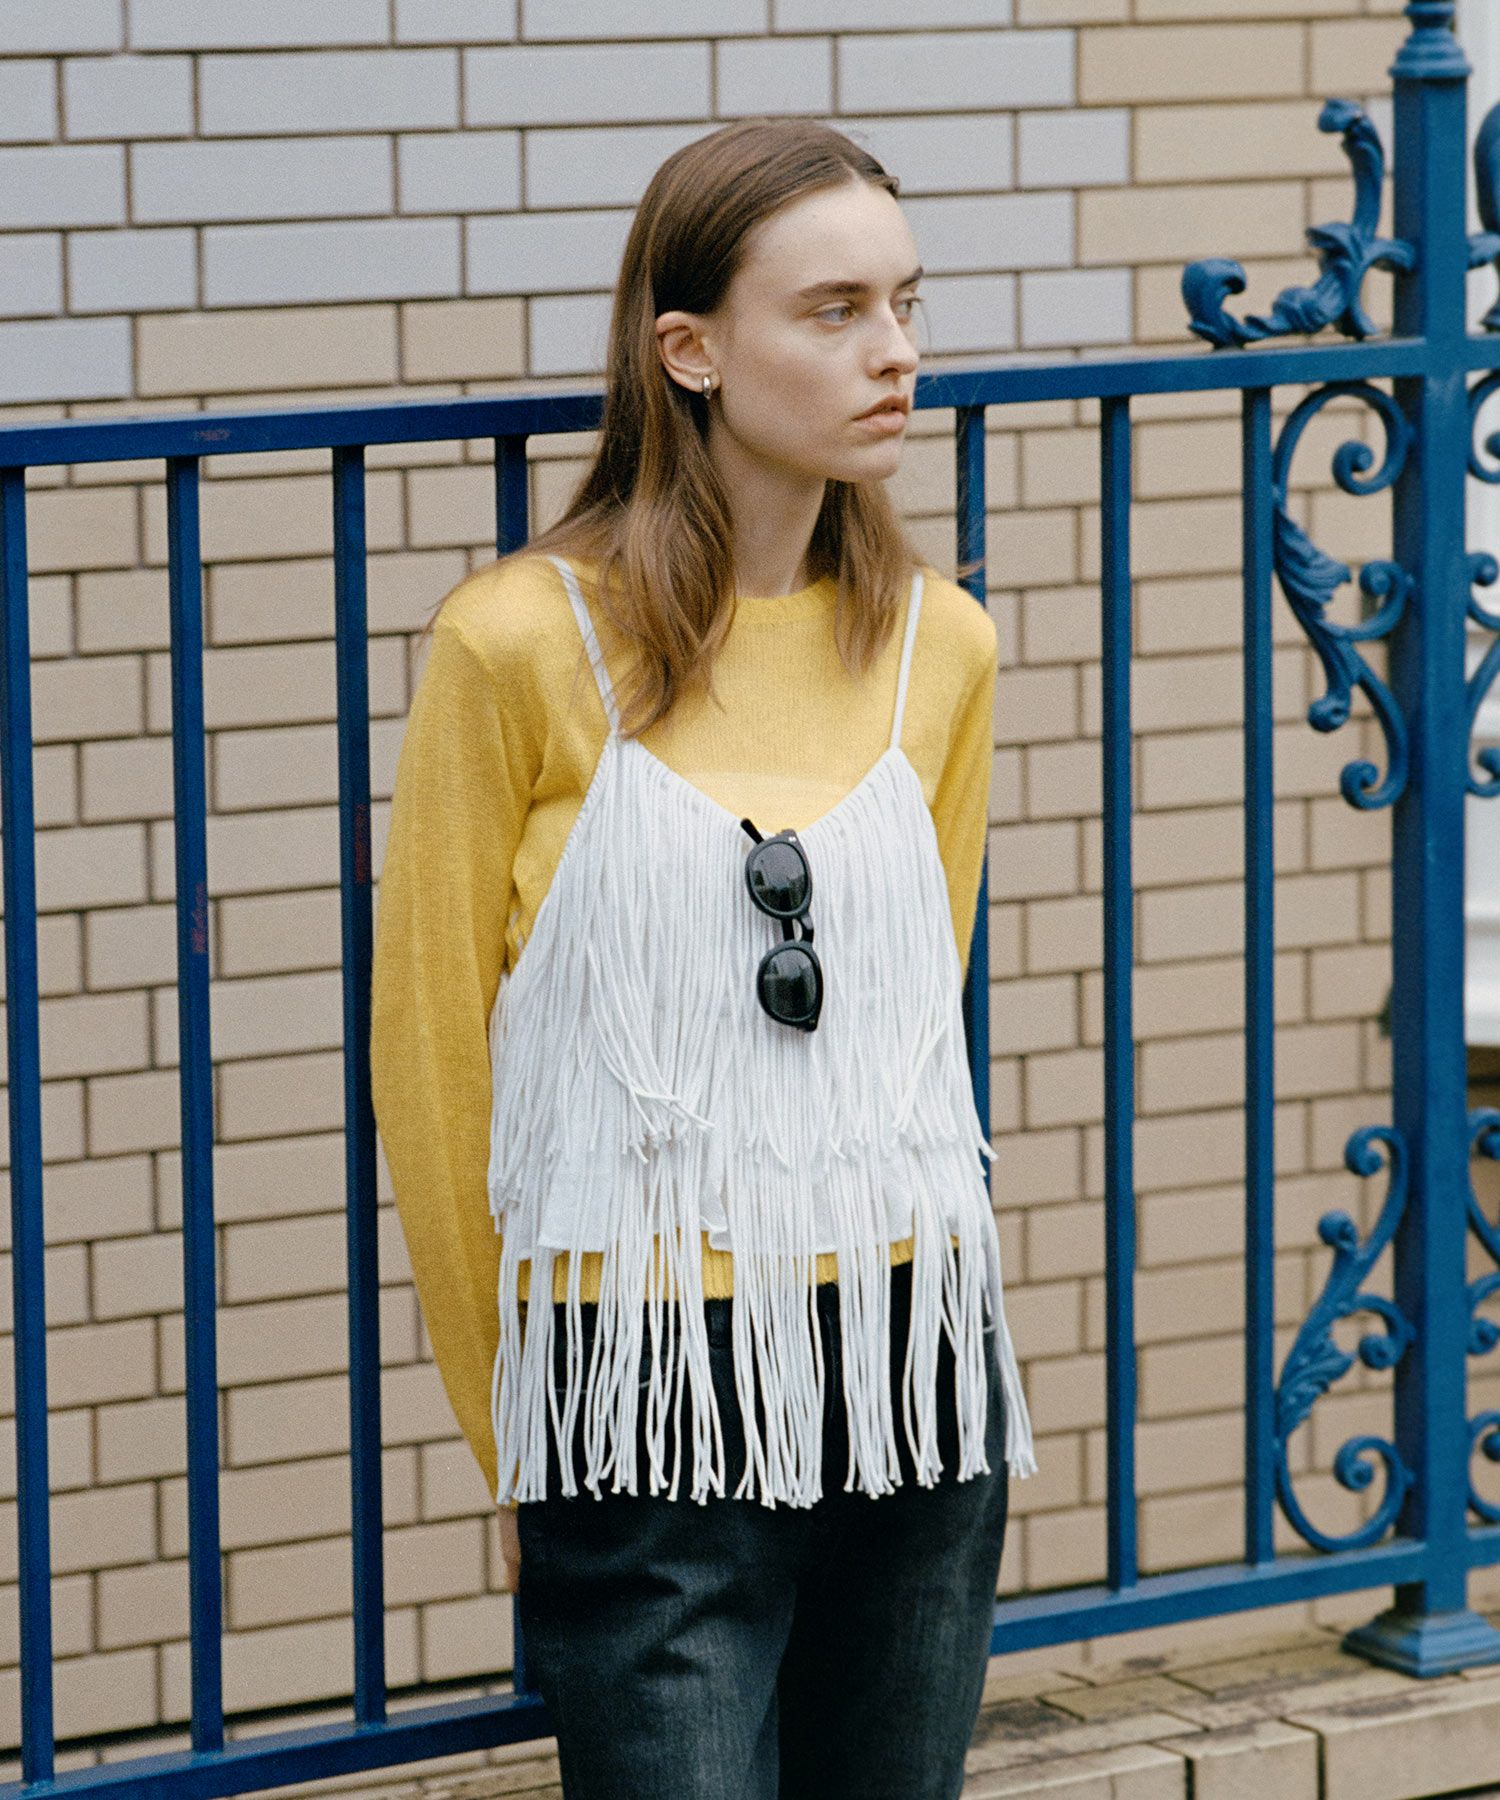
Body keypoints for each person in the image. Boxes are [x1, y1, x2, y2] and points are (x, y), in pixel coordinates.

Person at [370, 114, 1035, 1800]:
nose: (896, 351)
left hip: (913, 1357)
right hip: (646, 1376)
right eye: (834, 310)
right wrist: (513, 1427)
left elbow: (916, 1024)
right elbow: (433, 1060)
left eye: (906, 301)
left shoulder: (941, 649)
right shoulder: (518, 645)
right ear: (689, 350)